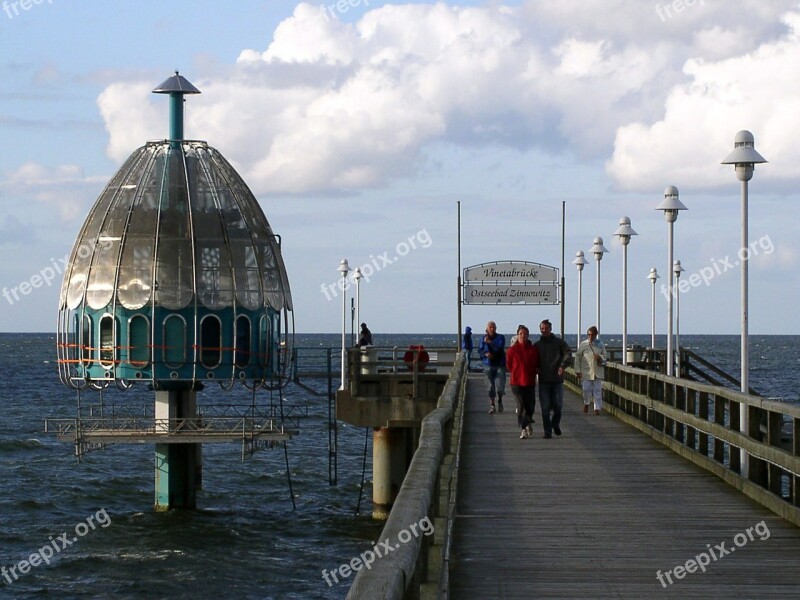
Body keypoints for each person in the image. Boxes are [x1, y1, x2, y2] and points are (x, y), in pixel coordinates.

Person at [534, 319, 572, 438]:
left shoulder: (559, 343)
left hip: (557, 380)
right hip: (544, 380)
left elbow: (568, 353)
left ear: (550, 329)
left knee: (558, 406)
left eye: (545, 328)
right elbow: (532, 359)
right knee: (545, 407)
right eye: (542, 328)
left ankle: (555, 423)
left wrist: (562, 366)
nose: (543, 330)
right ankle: (547, 432)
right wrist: (536, 367)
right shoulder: (537, 345)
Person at [505, 324, 539, 439]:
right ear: (517, 335)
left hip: (529, 381)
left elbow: (537, 364)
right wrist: (516, 371)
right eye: (520, 334)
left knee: (530, 406)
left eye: (524, 334)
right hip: (516, 382)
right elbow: (509, 365)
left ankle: (528, 421)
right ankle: (523, 428)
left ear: (528, 336)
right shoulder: (512, 350)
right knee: (521, 405)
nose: (522, 336)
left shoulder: (533, 350)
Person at [574, 325, 607, 415]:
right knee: (586, 389)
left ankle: (597, 408)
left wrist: (600, 357)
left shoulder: (600, 344)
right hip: (586, 371)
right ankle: (586, 403)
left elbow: (605, 356)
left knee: (597, 390)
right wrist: (577, 370)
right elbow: (578, 357)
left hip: (597, 370)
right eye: (588, 334)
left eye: (592, 335)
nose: (590, 336)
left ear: (596, 334)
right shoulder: (583, 344)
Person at [478, 320, 506, 414]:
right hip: (488, 364)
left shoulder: (500, 337)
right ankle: (492, 404)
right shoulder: (483, 338)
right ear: (487, 329)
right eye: (490, 327)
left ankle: (500, 400)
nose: (492, 329)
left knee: (500, 386)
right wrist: (485, 354)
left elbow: (500, 349)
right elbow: (480, 350)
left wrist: (490, 342)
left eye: (493, 327)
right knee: (490, 386)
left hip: (499, 364)